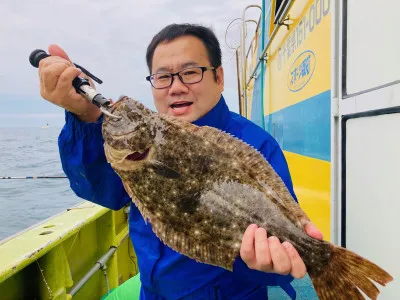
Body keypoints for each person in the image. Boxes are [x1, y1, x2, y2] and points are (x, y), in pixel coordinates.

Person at [37, 23, 323, 299]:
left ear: (219, 77)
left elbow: (281, 267)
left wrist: (272, 267)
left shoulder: (257, 145)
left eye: (190, 72)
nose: (176, 87)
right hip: (152, 294)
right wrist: (84, 117)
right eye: (162, 77)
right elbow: (105, 192)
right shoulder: (139, 151)